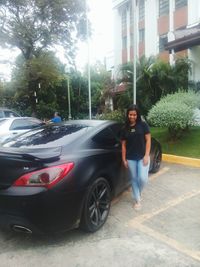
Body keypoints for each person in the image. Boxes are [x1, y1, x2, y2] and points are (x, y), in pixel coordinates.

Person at [121, 104, 151, 211]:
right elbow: (123, 145)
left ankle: (137, 192)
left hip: (143, 156)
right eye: (130, 114)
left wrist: (147, 155)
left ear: (137, 115)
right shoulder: (125, 128)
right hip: (131, 158)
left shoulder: (143, 125)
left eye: (134, 114)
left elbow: (148, 140)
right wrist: (124, 159)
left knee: (143, 178)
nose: (132, 116)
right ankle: (137, 200)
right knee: (134, 178)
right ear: (128, 115)